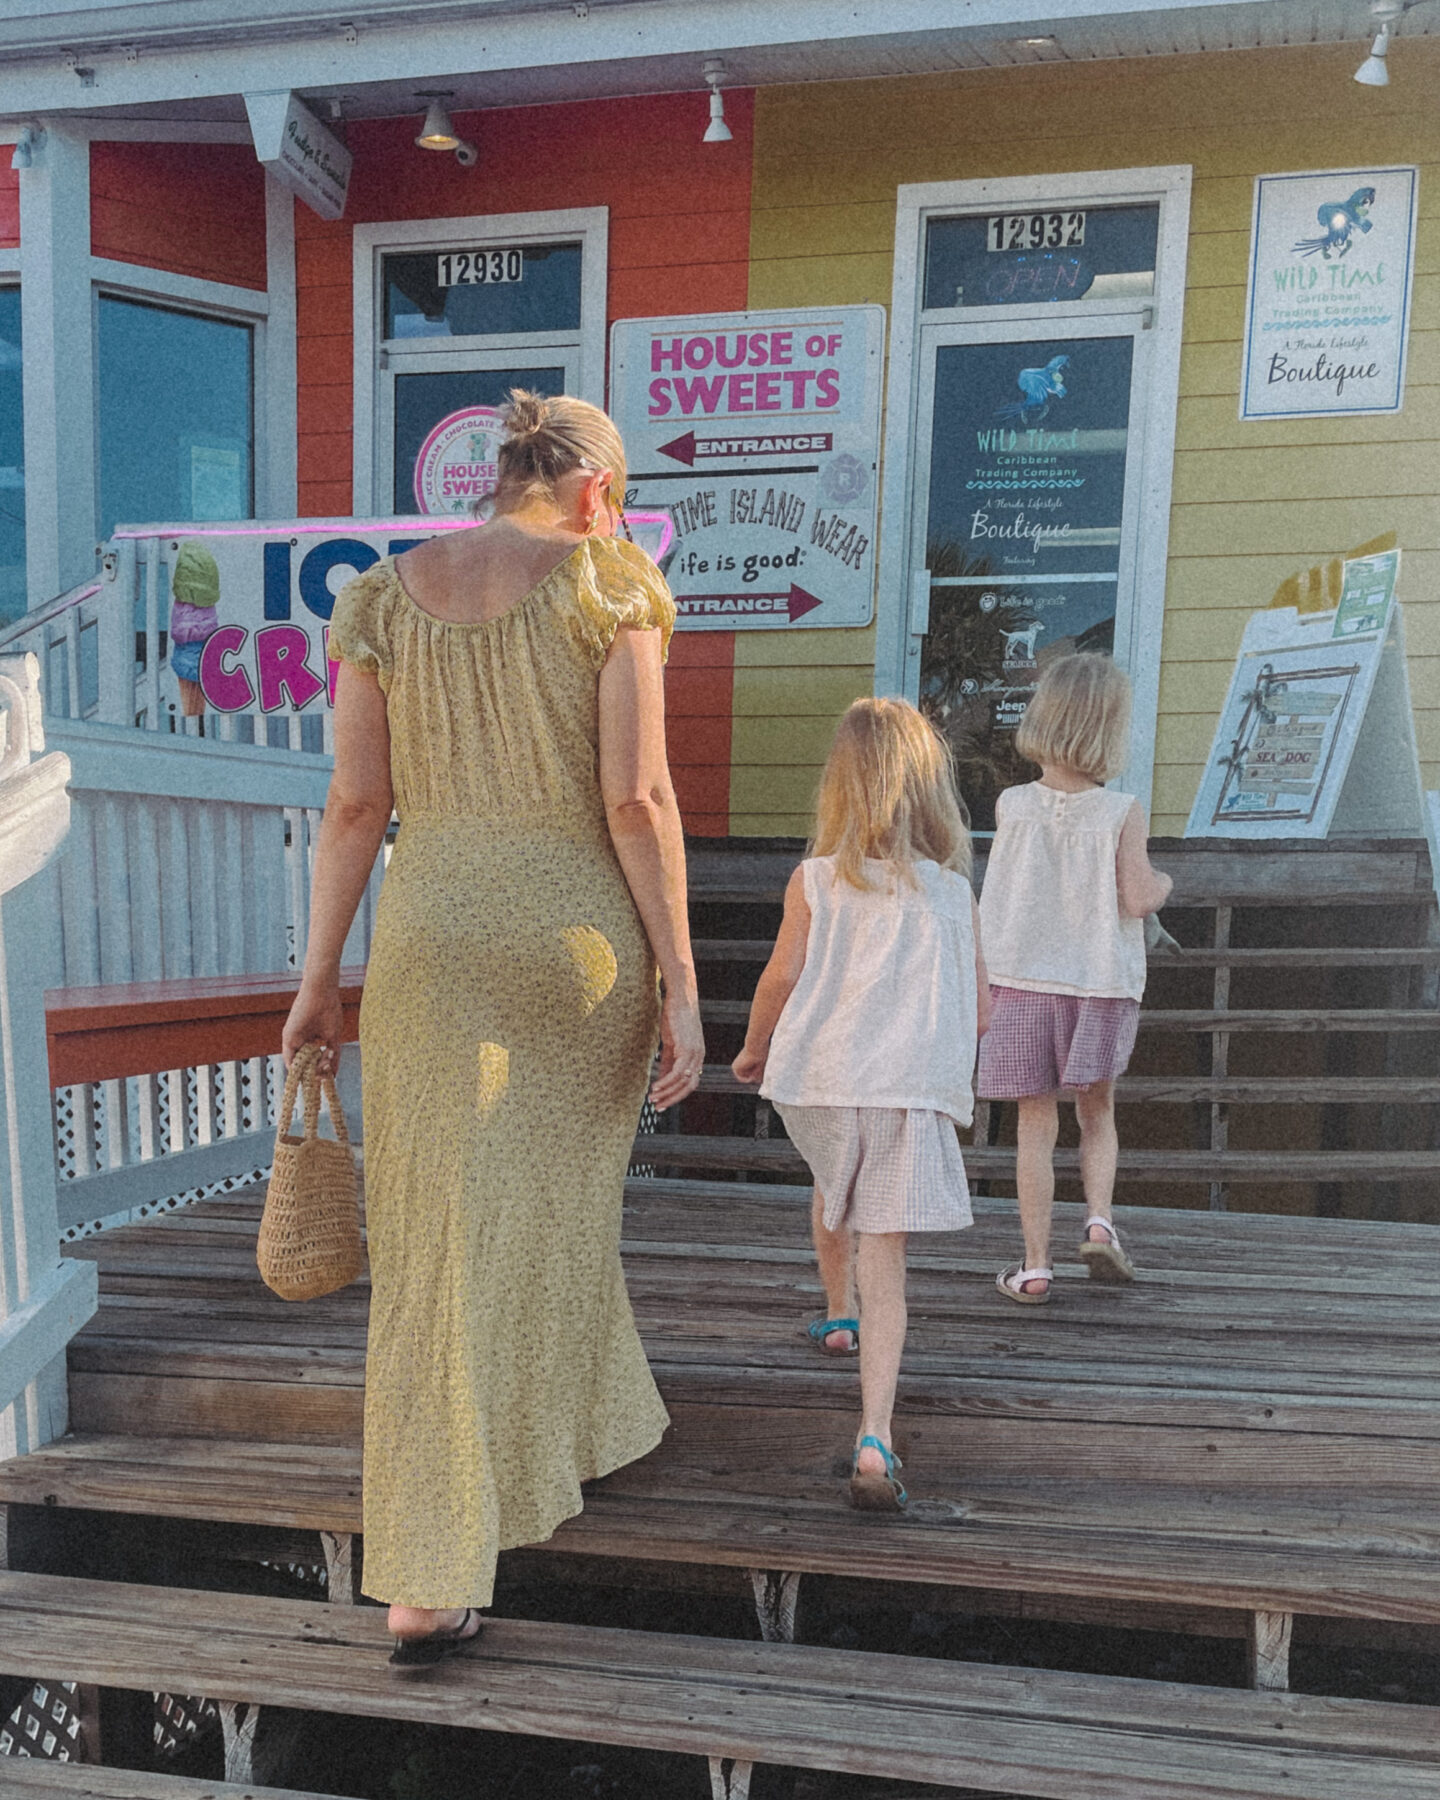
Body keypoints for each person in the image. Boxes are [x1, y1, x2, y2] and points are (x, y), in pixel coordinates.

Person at [280, 390, 704, 1663]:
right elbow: (636, 799)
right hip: (576, 944)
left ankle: (556, 1453)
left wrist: (315, 979)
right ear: (590, 495)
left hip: (428, 940)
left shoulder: (382, 599)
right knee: (549, 1205)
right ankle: (445, 1547)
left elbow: (357, 806)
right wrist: (683, 977)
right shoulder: (611, 583)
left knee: (436, 1239)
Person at [731, 698, 988, 1512]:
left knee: (831, 1183)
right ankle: (874, 1436)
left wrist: (752, 1044)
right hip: (904, 1092)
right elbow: (981, 1008)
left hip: (825, 1083)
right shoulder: (951, 895)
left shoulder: (815, 882)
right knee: (890, 1265)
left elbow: (780, 976)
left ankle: (834, 1313)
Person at [976, 654, 1172, 1305]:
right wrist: (1169, 882)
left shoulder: (1012, 805)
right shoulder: (1121, 810)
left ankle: (1035, 1266)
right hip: (1098, 984)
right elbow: (1140, 897)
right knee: (1097, 1111)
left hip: (1021, 980)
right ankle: (1099, 1223)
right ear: (1109, 729)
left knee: (1035, 1124)